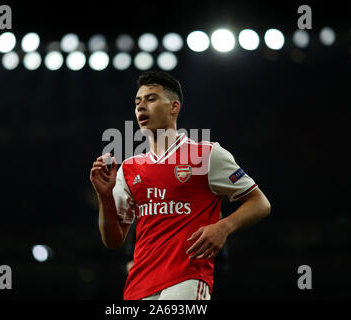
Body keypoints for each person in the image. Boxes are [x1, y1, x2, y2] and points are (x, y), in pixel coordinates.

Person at [90, 71, 271, 300]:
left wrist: (223, 227)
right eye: (137, 102)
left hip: (186, 279)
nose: (141, 107)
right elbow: (113, 241)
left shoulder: (206, 155)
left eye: (151, 99)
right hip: (138, 285)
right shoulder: (128, 168)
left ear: (174, 107)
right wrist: (104, 196)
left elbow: (260, 203)